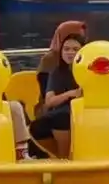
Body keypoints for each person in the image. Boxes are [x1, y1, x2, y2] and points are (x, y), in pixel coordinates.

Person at [25, 19, 92, 154]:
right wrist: (70, 94)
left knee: (63, 117)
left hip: (82, 109)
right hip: (58, 109)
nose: (70, 52)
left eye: (75, 49)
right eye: (66, 49)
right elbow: (49, 100)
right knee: (56, 119)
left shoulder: (89, 68)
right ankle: (62, 157)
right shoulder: (55, 69)